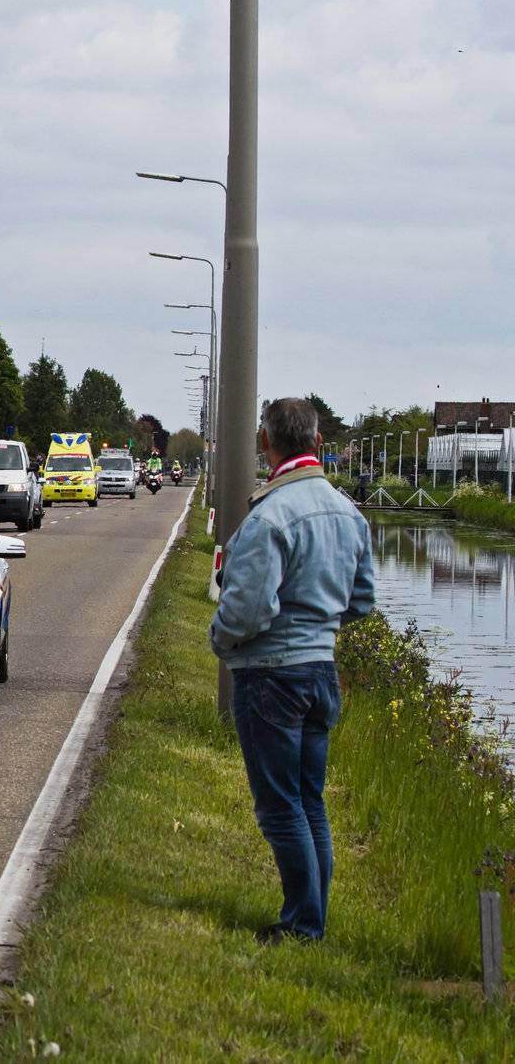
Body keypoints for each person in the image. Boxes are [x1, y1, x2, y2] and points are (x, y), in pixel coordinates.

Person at [209, 397, 374, 945]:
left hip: (271, 676)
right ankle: (313, 917)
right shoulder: (348, 512)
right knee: (309, 800)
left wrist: (219, 639)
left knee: (280, 807)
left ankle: (304, 925)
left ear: (266, 442)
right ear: (319, 444)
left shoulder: (270, 516)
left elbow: (247, 611)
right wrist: (321, 623)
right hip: (321, 671)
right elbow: (362, 600)